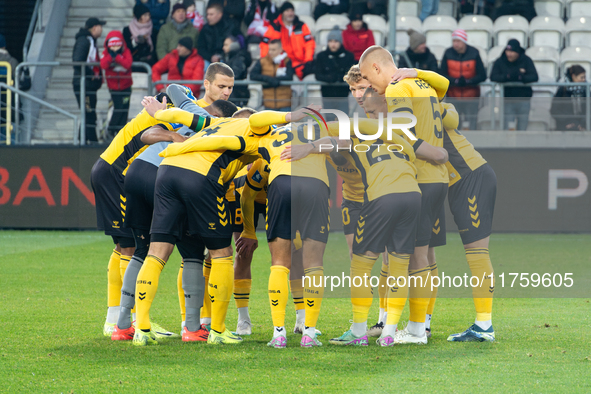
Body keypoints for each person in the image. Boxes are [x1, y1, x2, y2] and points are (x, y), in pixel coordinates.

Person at [130, 99, 303, 346]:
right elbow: (250, 128)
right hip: (200, 176)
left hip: (167, 170)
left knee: (157, 252)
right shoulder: (257, 135)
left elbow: (189, 118)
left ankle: (142, 327)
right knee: (221, 254)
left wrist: (162, 112)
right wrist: (290, 117)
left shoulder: (217, 122)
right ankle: (218, 330)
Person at [111, 85, 238, 342]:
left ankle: (124, 325)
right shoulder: (215, 125)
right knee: (192, 250)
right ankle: (192, 328)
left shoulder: (187, 114)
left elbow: (148, 134)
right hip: (168, 176)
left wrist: (171, 133)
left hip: (137, 171)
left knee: (142, 250)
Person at [358, 46, 450, 346]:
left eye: (368, 80)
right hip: (438, 179)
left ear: (375, 68)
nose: (370, 87)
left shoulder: (397, 86)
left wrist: (432, 152)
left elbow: (403, 130)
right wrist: (420, 71)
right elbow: (445, 85)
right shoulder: (421, 82)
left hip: (421, 175)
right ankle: (419, 325)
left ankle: (415, 330)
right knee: (425, 255)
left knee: (414, 259)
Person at [90, 92, 181, 338]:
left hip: (110, 170)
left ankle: (116, 318)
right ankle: (127, 320)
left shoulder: (153, 115)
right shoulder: (162, 119)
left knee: (123, 246)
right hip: (116, 174)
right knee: (129, 246)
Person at [439, 103, 497, 342]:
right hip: (460, 181)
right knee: (476, 252)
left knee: (477, 252)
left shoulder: (432, 106)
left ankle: (484, 325)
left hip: (469, 176)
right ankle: (483, 324)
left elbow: (451, 118)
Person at [440, 29, 487, 130]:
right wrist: (454, 81)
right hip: (453, 95)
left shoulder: (474, 53)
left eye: (458, 41)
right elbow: (442, 74)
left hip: (471, 96)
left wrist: (468, 82)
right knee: (453, 124)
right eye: (454, 41)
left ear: (464, 41)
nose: (455, 44)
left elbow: (482, 75)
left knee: (472, 122)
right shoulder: (448, 53)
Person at [490, 39, 538, 131]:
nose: (509, 54)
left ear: (517, 52)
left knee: (522, 128)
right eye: (508, 51)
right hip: (508, 100)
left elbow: (534, 77)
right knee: (508, 128)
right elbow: (493, 76)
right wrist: (507, 77)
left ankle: (521, 145)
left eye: (512, 51)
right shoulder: (500, 61)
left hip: (524, 99)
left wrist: (521, 77)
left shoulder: (526, 60)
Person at [260, 1, 315, 80]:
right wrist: (266, 61)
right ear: (282, 13)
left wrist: (308, 61)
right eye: (287, 11)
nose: (290, 13)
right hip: (281, 64)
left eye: (292, 11)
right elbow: (264, 45)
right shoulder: (274, 27)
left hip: (300, 64)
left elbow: (309, 44)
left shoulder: (301, 26)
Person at [72, 17, 105, 144]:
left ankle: (84, 141)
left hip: (88, 85)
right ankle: (91, 142)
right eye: (100, 26)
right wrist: (90, 74)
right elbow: (77, 61)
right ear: (95, 28)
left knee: (89, 113)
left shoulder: (90, 40)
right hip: (83, 85)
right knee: (89, 113)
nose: (102, 29)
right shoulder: (84, 41)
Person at [314, 26, 355, 116]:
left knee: (343, 121)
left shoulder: (348, 56)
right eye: (330, 41)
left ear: (340, 42)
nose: (333, 44)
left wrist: (341, 78)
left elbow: (351, 73)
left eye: (335, 41)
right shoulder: (321, 56)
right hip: (327, 95)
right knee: (330, 122)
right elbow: (318, 74)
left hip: (343, 95)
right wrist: (329, 78)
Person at [100, 31, 133, 139]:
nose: (116, 47)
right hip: (113, 87)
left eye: (118, 44)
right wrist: (111, 56)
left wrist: (118, 57)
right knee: (118, 107)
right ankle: (111, 129)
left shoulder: (126, 51)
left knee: (124, 108)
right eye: (113, 45)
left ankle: (120, 132)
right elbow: (103, 64)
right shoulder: (105, 53)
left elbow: (128, 64)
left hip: (126, 86)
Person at [251, 39, 294, 110]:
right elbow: (253, 75)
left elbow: (289, 76)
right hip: (268, 102)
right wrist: (269, 79)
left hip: (285, 103)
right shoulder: (262, 61)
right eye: (270, 49)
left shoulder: (287, 61)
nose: (270, 52)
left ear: (280, 50)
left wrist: (275, 80)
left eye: (273, 50)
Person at [551, 65, 588, 131]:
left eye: (584, 77)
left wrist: (583, 123)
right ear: (573, 76)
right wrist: (567, 122)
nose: (584, 80)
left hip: (583, 123)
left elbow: (588, 108)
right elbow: (554, 110)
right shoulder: (563, 90)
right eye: (581, 77)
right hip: (565, 125)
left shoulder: (585, 90)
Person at [123, 3, 155, 69]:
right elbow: (126, 46)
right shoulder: (127, 30)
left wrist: (150, 56)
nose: (148, 17)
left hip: (148, 63)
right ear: (138, 16)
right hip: (133, 62)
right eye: (145, 15)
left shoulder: (153, 30)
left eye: (149, 15)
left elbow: (155, 47)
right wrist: (135, 41)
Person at [222, 36, 251, 107]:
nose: (223, 48)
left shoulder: (239, 58)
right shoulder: (229, 57)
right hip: (232, 94)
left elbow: (235, 73)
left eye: (226, 45)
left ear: (234, 45)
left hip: (237, 94)